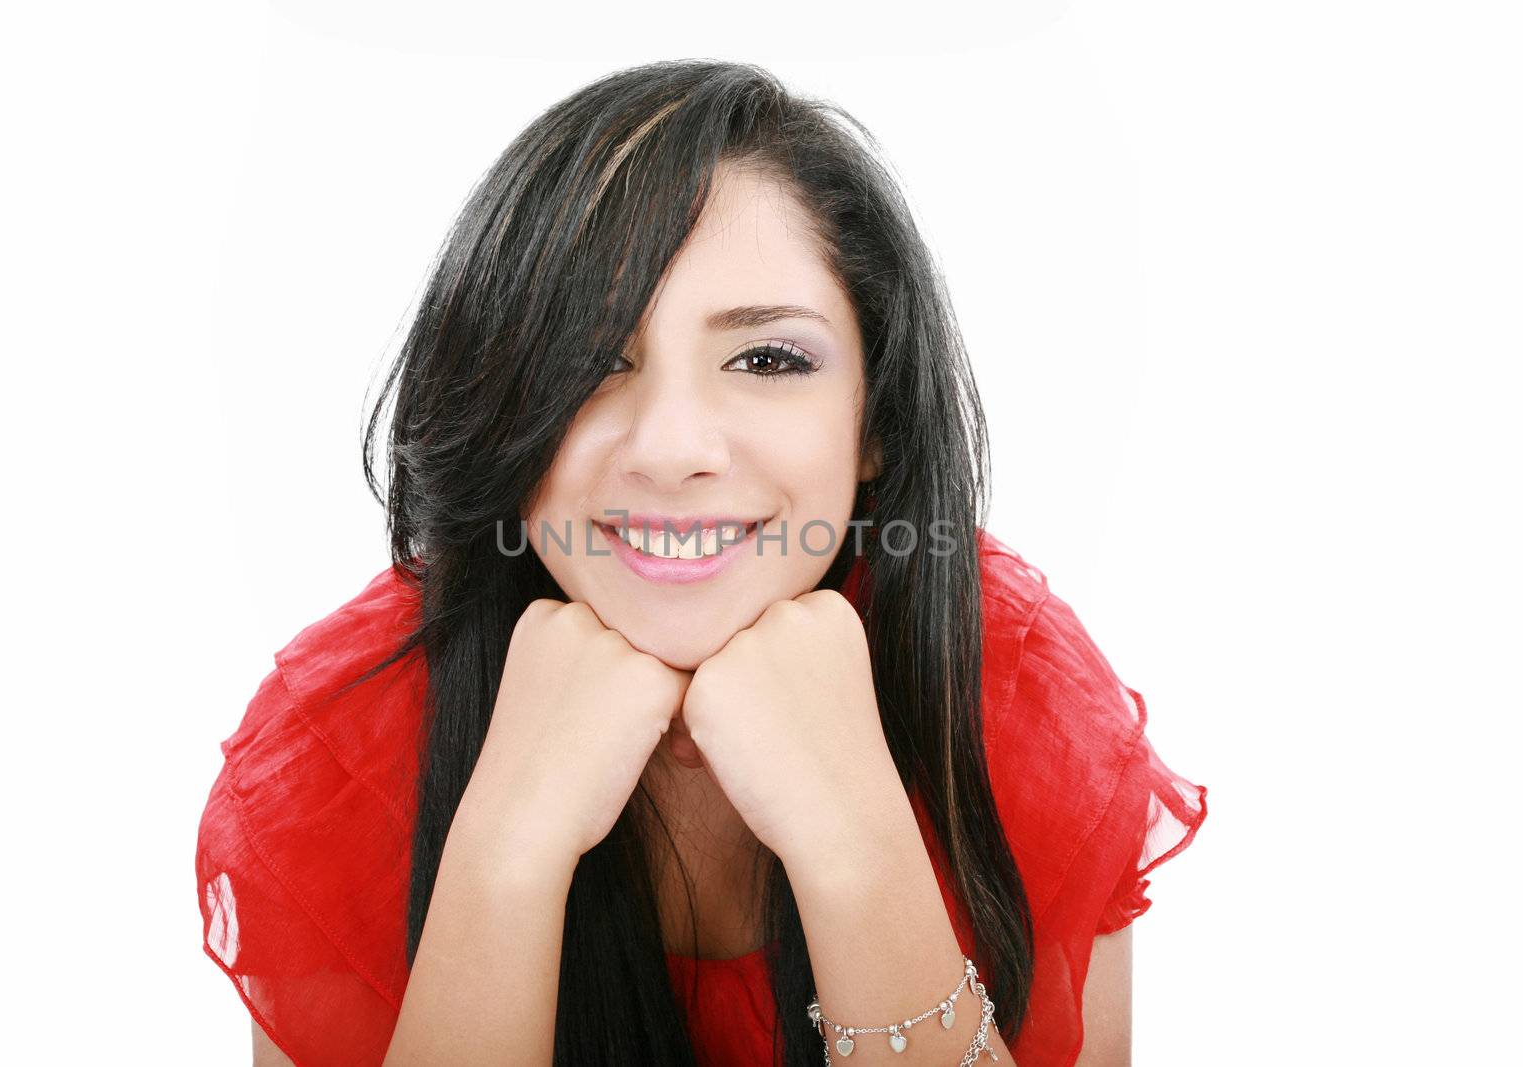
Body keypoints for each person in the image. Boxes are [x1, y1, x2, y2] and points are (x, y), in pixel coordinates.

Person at [195, 59, 1207, 1067]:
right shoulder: (346, 750)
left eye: (768, 359)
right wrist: (505, 854)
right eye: (587, 362)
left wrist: (854, 844)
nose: (672, 445)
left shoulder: (1012, 701)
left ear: (873, 424)